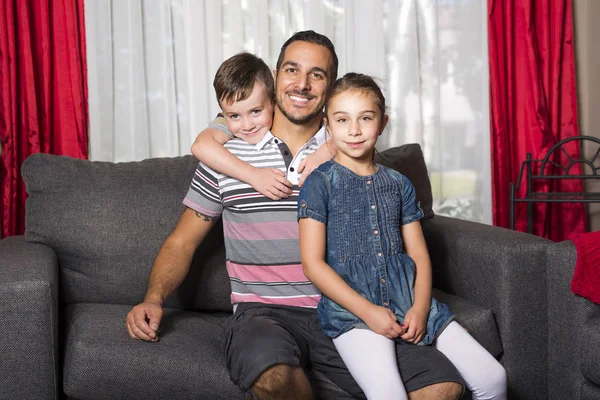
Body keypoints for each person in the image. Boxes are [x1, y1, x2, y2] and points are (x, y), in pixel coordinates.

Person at [126, 30, 466, 400]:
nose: (302, 84)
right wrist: (153, 298)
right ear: (274, 78)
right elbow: (182, 241)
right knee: (279, 383)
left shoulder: (351, 149)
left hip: (349, 308)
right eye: (292, 70)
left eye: (316, 75)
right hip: (263, 314)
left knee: (443, 387)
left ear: (331, 86)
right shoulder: (226, 155)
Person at [298, 72, 508, 400]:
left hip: (409, 299)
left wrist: (421, 308)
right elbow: (312, 264)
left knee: (493, 378)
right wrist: (368, 311)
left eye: (365, 119)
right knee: (388, 394)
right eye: (342, 120)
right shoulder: (319, 183)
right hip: (353, 313)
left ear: (382, 124)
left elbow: (420, 255)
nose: (354, 130)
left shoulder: (398, 184)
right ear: (328, 124)